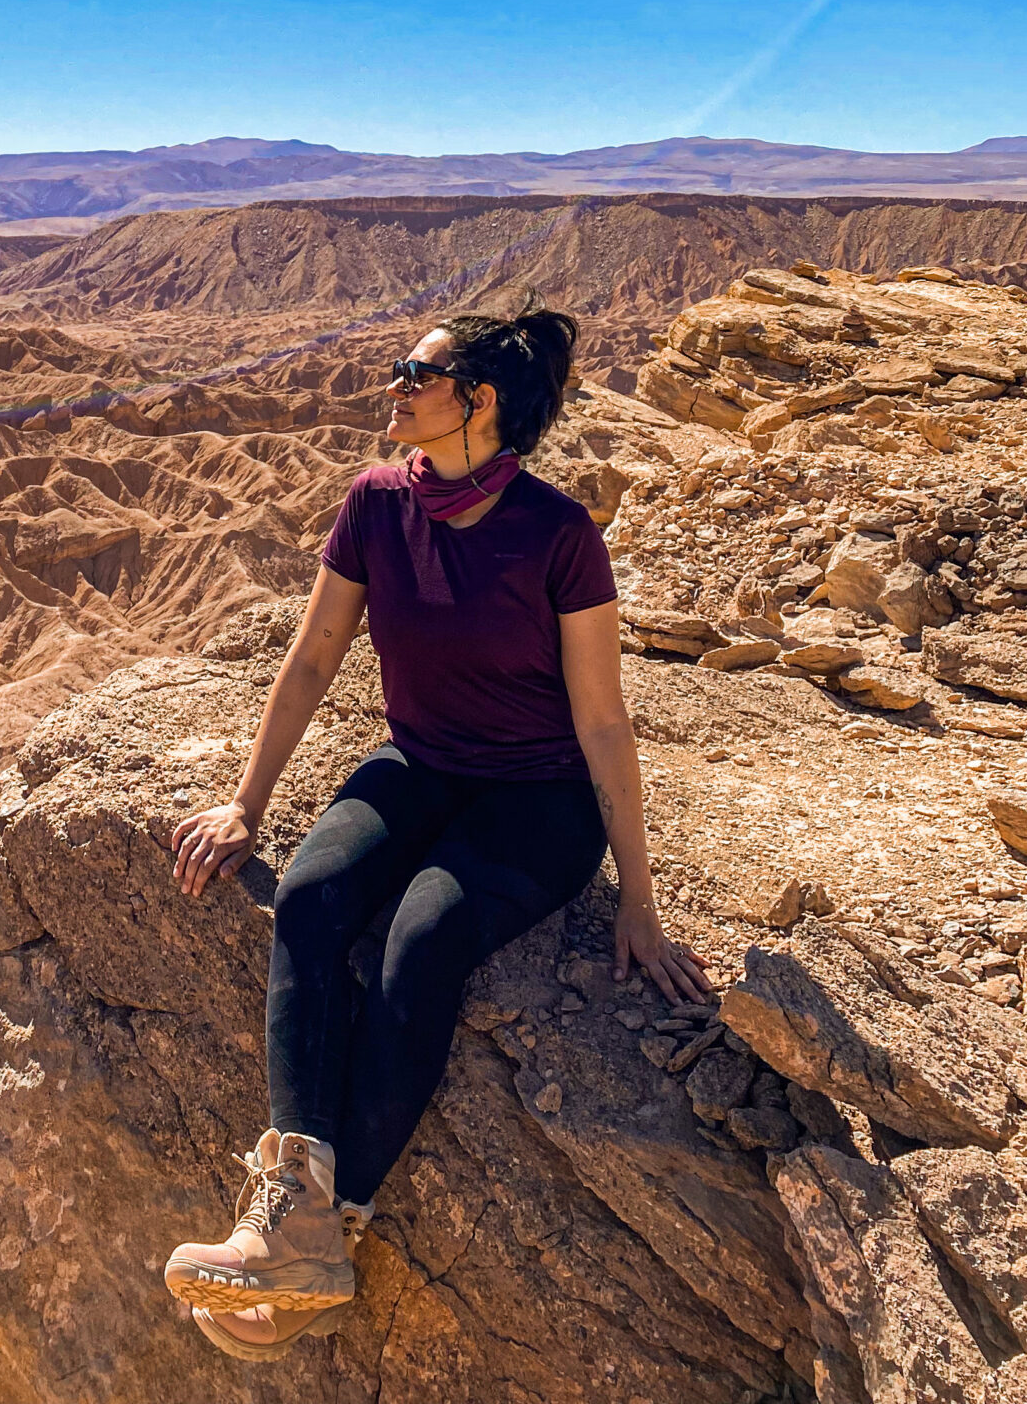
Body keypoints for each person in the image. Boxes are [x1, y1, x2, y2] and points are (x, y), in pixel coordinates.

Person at [162, 308, 711, 1360]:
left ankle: (326, 1235)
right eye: (397, 369)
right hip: (419, 764)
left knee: (421, 940)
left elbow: (602, 720)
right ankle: (289, 1207)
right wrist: (246, 802)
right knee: (314, 901)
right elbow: (315, 654)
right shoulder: (375, 504)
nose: (393, 386)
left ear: (480, 399)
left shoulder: (558, 533)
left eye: (416, 372)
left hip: (537, 799)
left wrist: (640, 902)